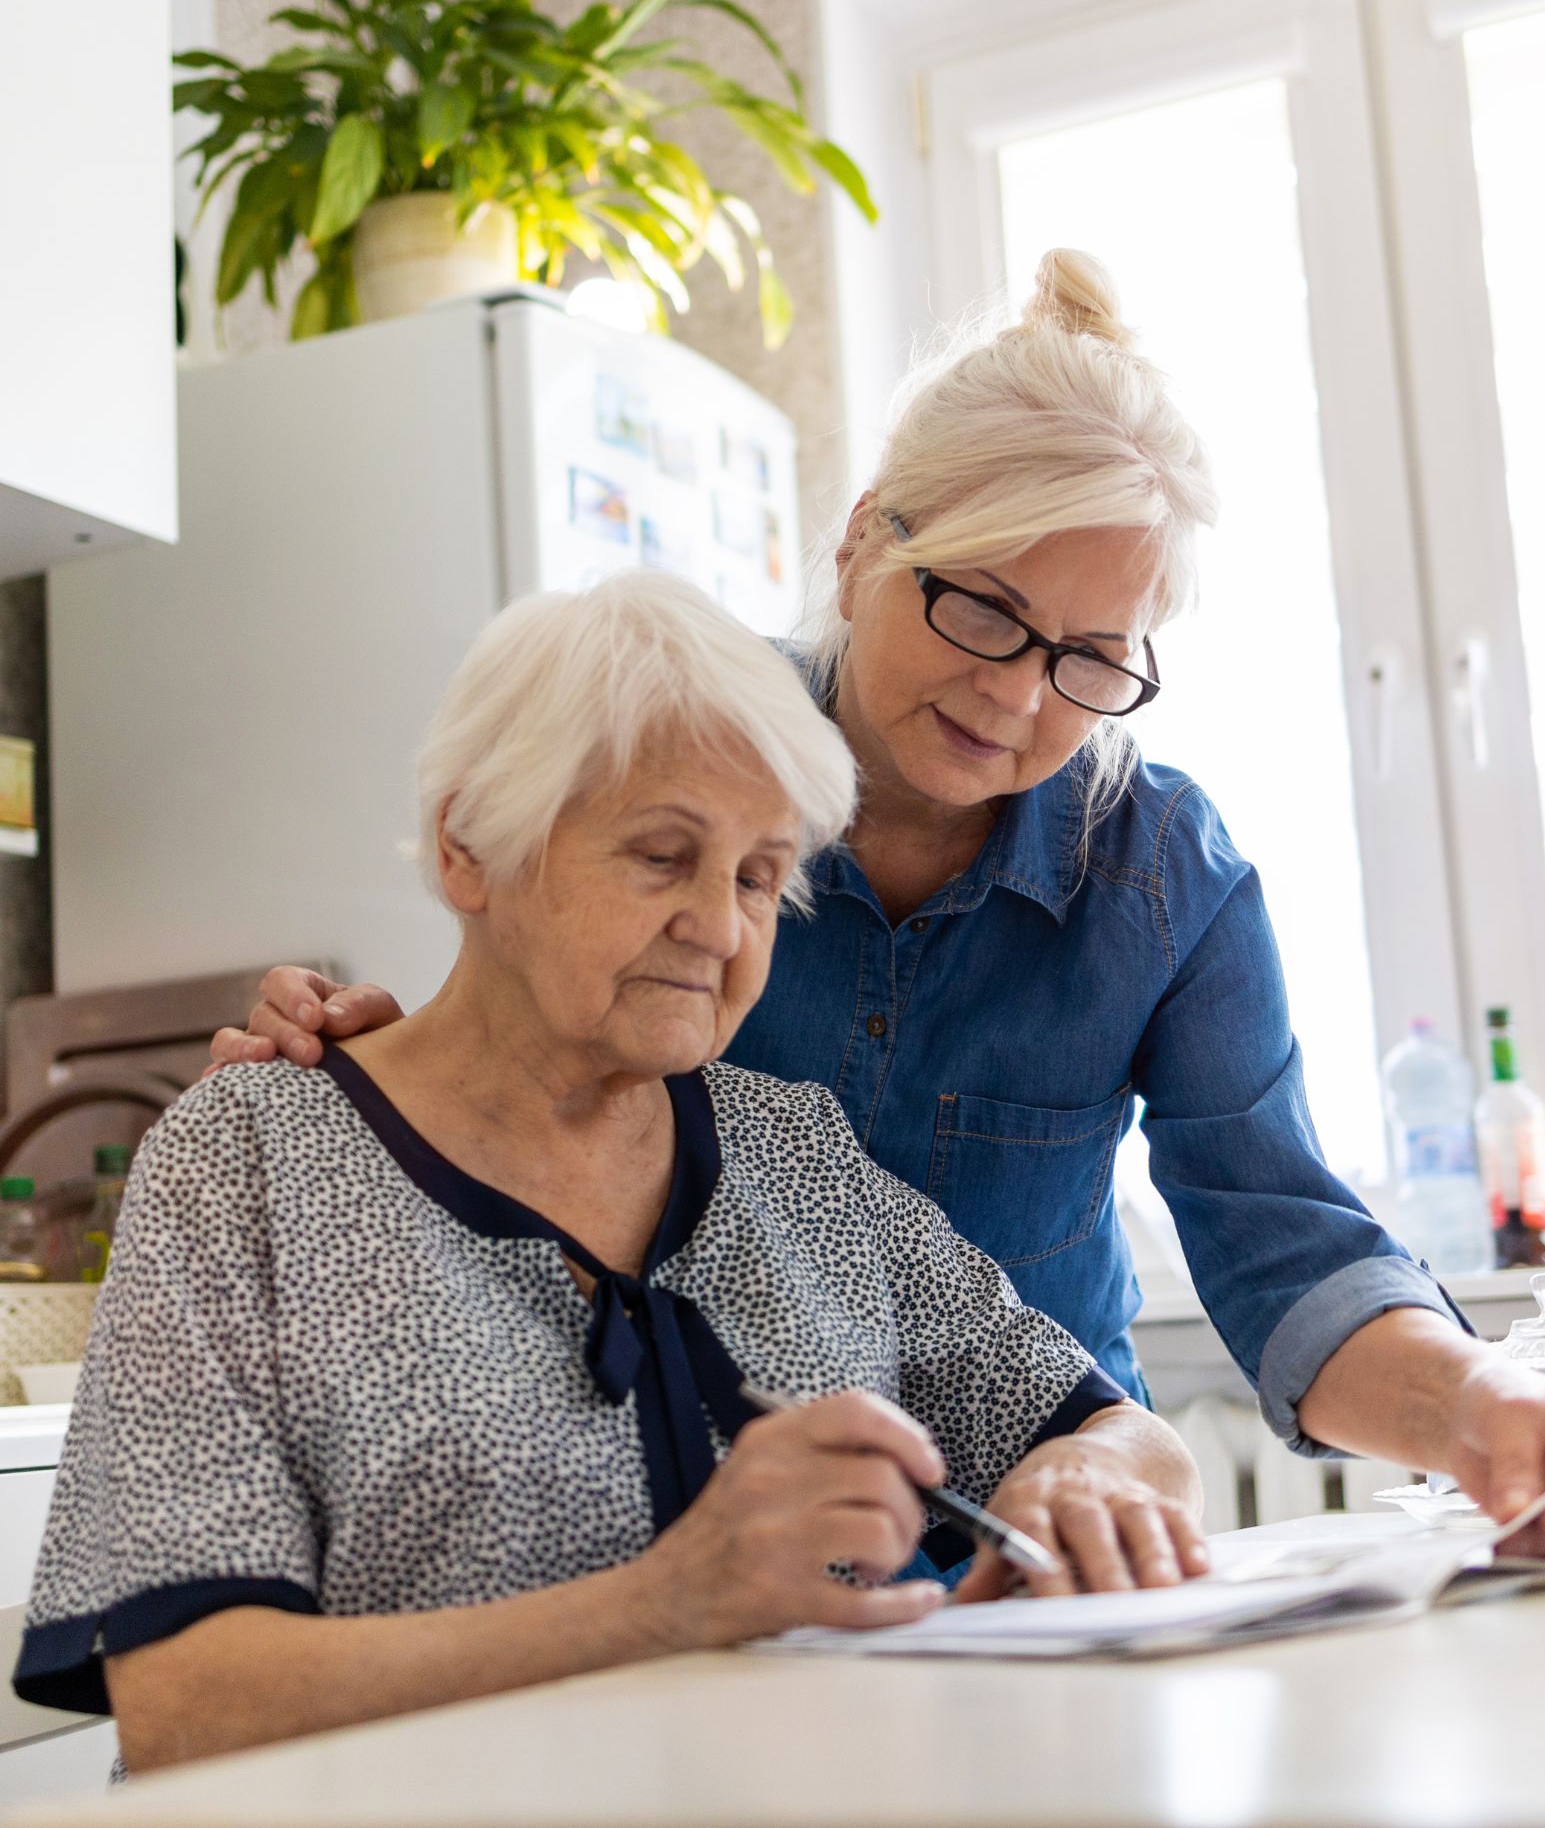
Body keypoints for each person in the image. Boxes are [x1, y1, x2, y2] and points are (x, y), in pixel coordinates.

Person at [217, 249, 1545, 1538]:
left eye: (1090, 658)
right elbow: (512, 1063)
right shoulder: (684, 754)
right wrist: (359, 1075)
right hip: (699, 1553)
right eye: (981, 608)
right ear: (861, 546)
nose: (1017, 693)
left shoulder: (1160, 878)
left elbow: (1286, 1246)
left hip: (1041, 1535)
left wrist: (1485, 1405)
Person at [16, 575, 1206, 1773]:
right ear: (468, 844)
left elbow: (1118, 1425)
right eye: (661, 854)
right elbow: (183, 1700)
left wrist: (1088, 1486)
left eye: (756, 874)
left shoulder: (792, 1148)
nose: (724, 927)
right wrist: (667, 1600)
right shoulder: (248, 1157)